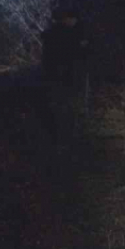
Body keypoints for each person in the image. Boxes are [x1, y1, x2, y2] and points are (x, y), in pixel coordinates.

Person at [40, 9, 90, 148]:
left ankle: (62, 136)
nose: (73, 22)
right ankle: (68, 137)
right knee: (68, 106)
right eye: (71, 19)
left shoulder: (54, 33)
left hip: (59, 75)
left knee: (62, 106)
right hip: (66, 75)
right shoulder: (66, 33)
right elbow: (73, 53)